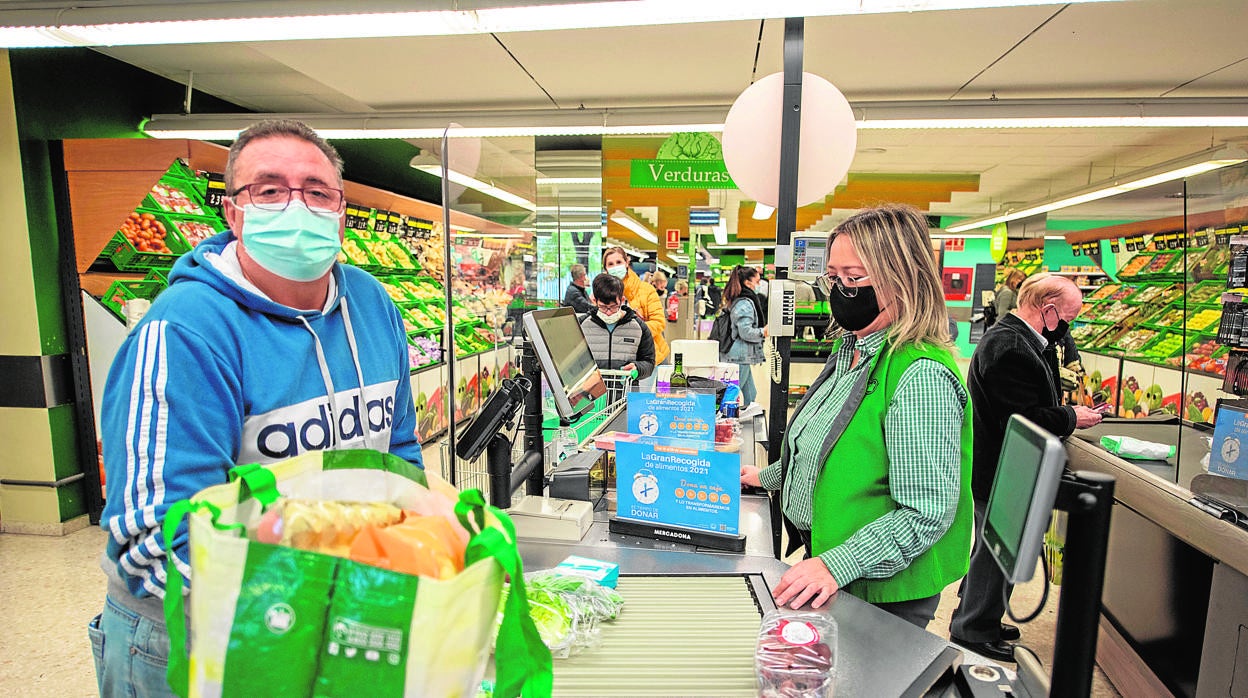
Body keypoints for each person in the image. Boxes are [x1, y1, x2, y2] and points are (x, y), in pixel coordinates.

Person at [92, 120, 426, 697]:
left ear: (340, 211)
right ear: (232, 211)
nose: (297, 206)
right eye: (270, 190)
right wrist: (305, 607)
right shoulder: (185, 331)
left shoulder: (372, 305)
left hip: (326, 615)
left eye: (317, 191)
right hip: (190, 634)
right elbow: (155, 538)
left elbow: (398, 455)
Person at [740, 204, 973, 630]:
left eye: (855, 278)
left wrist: (836, 564)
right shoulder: (853, 349)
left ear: (904, 278)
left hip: (882, 593)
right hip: (835, 568)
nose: (841, 291)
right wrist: (767, 477)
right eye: (834, 277)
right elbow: (824, 447)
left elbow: (926, 512)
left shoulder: (920, 376)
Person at [948, 272, 1102, 662]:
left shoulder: (1021, 339)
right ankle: (973, 629)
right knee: (996, 552)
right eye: (1068, 317)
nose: (1069, 328)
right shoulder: (1011, 348)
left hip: (1000, 465)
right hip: (1002, 467)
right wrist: (1072, 417)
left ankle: (979, 613)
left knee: (994, 548)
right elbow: (1022, 419)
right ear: (1048, 310)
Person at [579, 273, 656, 379]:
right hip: (591, 389)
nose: (608, 312)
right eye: (603, 307)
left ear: (622, 300)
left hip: (626, 388)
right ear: (595, 301)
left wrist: (637, 368)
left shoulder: (638, 327)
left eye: (614, 307)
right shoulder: (581, 325)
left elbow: (649, 362)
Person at [602, 246, 668, 366]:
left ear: (626, 263)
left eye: (619, 262)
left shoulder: (646, 290)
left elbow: (659, 322)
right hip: (619, 359)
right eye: (610, 264)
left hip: (651, 357)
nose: (615, 267)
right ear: (606, 268)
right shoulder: (603, 295)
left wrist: (633, 330)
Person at [719, 265, 768, 406]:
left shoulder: (740, 300)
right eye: (757, 281)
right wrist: (763, 332)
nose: (759, 285)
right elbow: (745, 332)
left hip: (741, 355)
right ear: (747, 283)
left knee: (751, 394)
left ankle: (749, 415)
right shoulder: (744, 304)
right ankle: (720, 418)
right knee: (730, 395)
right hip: (739, 356)